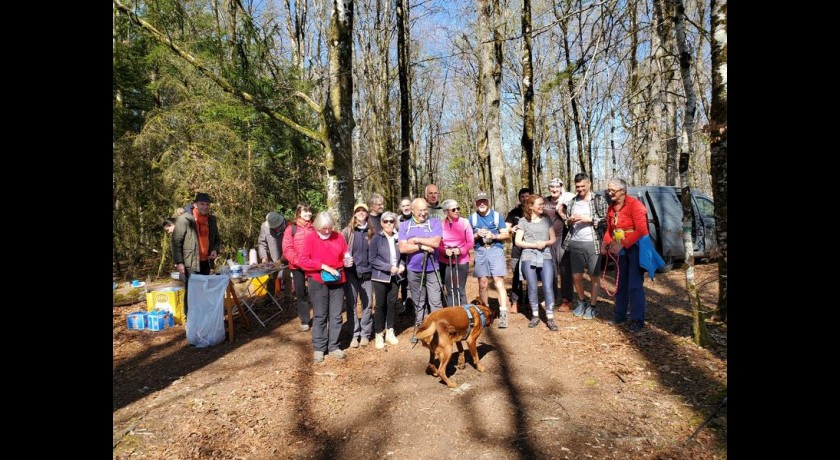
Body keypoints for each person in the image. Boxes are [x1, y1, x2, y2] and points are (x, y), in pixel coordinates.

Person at [298, 211, 349, 362]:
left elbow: (345, 253)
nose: (327, 231)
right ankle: (319, 348)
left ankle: (333, 345)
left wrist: (347, 259)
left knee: (336, 315)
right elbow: (303, 260)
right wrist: (322, 266)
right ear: (317, 227)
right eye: (323, 228)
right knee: (320, 315)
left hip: (337, 280)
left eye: (329, 228)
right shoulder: (310, 238)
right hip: (317, 280)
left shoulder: (338, 236)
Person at [603, 178, 650, 333]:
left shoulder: (635, 205)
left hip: (635, 247)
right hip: (620, 249)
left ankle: (637, 320)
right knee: (620, 283)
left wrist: (623, 244)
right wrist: (606, 243)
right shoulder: (612, 208)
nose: (610, 193)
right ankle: (620, 316)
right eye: (608, 190)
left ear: (623, 191)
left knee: (635, 285)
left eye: (612, 191)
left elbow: (641, 230)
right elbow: (609, 229)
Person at [563, 173, 608, 320]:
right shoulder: (572, 202)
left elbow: (607, 220)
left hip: (593, 242)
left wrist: (590, 220)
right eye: (577, 187)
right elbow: (566, 223)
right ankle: (582, 302)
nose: (580, 189)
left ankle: (593, 306)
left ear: (589, 184)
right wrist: (569, 221)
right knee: (576, 276)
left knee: (594, 276)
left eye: (583, 186)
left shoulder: (599, 200)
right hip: (575, 242)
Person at [398, 198, 443, 343]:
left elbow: (436, 242)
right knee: (419, 302)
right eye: (420, 210)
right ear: (412, 210)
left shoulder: (434, 222)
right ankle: (420, 330)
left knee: (435, 302)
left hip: (432, 267)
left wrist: (416, 239)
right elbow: (403, 248)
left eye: (425, 210)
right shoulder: (405, 226)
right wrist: (422, 246)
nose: (424, 213)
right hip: (414, 269)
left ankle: (438, 330)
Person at [172, 192, 220, 317]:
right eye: (202, 204)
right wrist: (179, 262)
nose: (205, 207)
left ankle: (202, 317)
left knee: (204, 291)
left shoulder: (211, 220)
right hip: (190, 263)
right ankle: (190, 319)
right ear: (195, 205)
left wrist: (215, 250)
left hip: (206, 262)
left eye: (207, 204)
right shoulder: (184, 220)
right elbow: (176, 242)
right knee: (191, 293)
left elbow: (216, 240)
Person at [468, 191, 511, 328]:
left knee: (498, 280)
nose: (482, 203)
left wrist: (494, 235)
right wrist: (476, 235)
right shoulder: (472, 218)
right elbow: (467, 238)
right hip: (480, 251)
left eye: (484, 201)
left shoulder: (497, 216)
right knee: (483, 283)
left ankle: (503, 314)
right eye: (479, 201)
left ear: (488, 202)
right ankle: (485, 313)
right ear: (475, 203)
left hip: (495, 249)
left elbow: (506, 235)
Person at [515, 194, 558, 331]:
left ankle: (550, 318)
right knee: (532, 287)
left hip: (545, 256)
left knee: (548, 286)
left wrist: (544, 243)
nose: (542, 206)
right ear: (530, 206)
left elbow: (553, 239)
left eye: (542, 204)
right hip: (528, 256)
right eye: (539, 204)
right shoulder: (523, 221)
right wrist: (534, 245)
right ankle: (535, 315)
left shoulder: (546, 220)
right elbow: (518, 241)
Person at [369, 211, 406, 349]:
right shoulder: (376, 238)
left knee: (392, 303)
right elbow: (372, 259)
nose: (389, 223)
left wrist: (402, 264)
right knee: (380, 306)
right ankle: (379, 333)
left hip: (396, 276)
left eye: (391, 221)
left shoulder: (398, 237)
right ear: (381, 223)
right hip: (380, 277)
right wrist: (388, 267)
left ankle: (390, 330)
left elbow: (403, 255)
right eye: (386, 221)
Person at [341, 203, 374, 348]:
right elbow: (340, 250)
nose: (361, 213)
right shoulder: (348, 231)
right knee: (351, 304)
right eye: (358, 211)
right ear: (354, 214)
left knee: (367, 305)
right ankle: (354, 334)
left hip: (368, 273)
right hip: (351, 274)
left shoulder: (372, 231)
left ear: (367, 214)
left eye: (363, 211)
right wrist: (344, 260)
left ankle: (365, 334)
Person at [544, 178, 576, 312]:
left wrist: (562, 212)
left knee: (564, 269)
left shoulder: (568, 201)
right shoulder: (544, 201)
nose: (554, 189)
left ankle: (566, 300)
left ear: (562, 187)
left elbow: (572, 220)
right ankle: (551, 297)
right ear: (549, 188)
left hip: (562, 238)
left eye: (557, 187)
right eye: (552, 187)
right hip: (547, 239)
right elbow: (532, 208)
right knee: (549, 269)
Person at [282, 203, 315, 331]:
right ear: (299, 213)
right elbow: (287, 248)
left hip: (313, 266)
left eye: (309, 211)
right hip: (297, 266)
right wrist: (297, 261)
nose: (308, 213)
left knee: (315, 293)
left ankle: (319, 319)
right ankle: (305, 320)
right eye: (305, 211)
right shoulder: (291, 229)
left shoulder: (316, 227)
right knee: (301, 293)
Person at [438, 198, 474, 307]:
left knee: (461, 289)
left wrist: (460, 250)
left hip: (462, 260)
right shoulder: (440, 225)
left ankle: (465, 316)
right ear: (446, 212)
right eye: (453, 209)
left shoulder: (465, 222)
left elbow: (471, 242)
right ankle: (452, 316)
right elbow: (437, 243)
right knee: (450, 290)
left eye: (458, 208)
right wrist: (444, 250)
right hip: (446, 260)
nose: (457, 211)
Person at [505, 187, 532, 314]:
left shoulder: (535, 211)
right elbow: (506, 228)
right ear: (519, 198)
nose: (525, 198)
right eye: (522, 196)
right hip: (517, 248)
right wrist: (512, 229)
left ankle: (528, 301)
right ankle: (515, 302)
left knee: (530, 276)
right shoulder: (513, 212)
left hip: (531, 248)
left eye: (527, 196)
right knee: (516, 275)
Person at [257, 211, 288, 303]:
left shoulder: (287, 226)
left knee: (287, 277)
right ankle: (269, 298)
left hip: (286, 256)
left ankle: (288, 298)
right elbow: (261, 243)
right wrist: (264, 257)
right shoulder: (264, 227)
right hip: (273, 258)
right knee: (271, 278)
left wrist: (284, 258)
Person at [397, 197, 414, 313]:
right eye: (403, 206)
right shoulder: (397, 220)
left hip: (414, 252)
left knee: (414, 279)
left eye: (408, 205)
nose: (406, 208)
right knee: (403, 280)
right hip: (402, 253)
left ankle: (415, 304)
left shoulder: (416, 218)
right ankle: (405, 305)